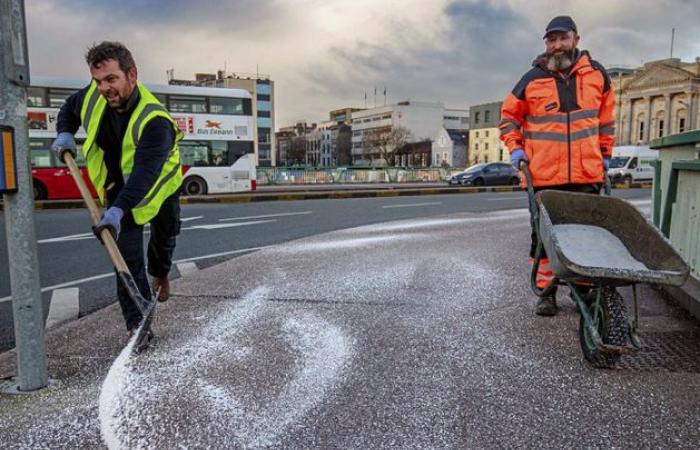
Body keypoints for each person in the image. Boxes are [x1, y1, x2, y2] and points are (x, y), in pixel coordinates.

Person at [51, 41, 183, 344]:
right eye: (98, 81)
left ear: (132, 75)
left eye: (111, 79)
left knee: (164, 241)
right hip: (116, 190)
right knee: (125, 259)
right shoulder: (93, 97)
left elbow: (144, 175)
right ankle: (138, 327)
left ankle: (161, 274)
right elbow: (70, 109)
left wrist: (117, 211)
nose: (104, 88)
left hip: (159, 188)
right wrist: (65, 132)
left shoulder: (156, 121)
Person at [499, 16, 615, 316]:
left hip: (586, 172)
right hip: (544, 175)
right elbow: (508, 118)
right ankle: (547, 292)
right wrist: (516, 149)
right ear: (546, 44)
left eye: (562, 38)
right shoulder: (531, 79)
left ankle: (585, 292)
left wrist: (604, 153)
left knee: (587, 235)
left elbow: (606, 120)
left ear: (576, 39)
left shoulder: (597, 75)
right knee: (544, 237)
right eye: (551, 40)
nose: (556, 45)